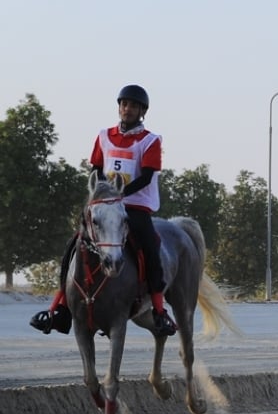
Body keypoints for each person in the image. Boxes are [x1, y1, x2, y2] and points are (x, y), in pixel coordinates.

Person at [30, 84, 177, 337]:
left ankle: (159, 311)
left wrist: (120, 195)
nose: (127, 109)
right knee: (73, 246)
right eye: (123, 104)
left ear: (142, 111)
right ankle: (60, 308)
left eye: (132, 106)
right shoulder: (104, 136)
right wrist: (102, 195)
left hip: (135, 205)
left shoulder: (150, 140)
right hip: (103, 205)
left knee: (150, 247)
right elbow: (96, 169)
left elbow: (147, 177)